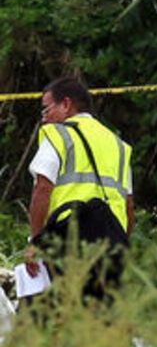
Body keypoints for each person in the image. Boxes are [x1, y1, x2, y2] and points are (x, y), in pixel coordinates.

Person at [25, 77, 134, 300]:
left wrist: (36, 241)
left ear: (66, 104)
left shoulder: (59, 135)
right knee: (101, 313)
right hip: (112, 242)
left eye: (46, 110)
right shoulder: (118, 146)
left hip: (69, 238)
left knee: (62, 309)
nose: (44, 119)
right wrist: (122, 243)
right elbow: (129, 205)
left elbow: (43, 189)